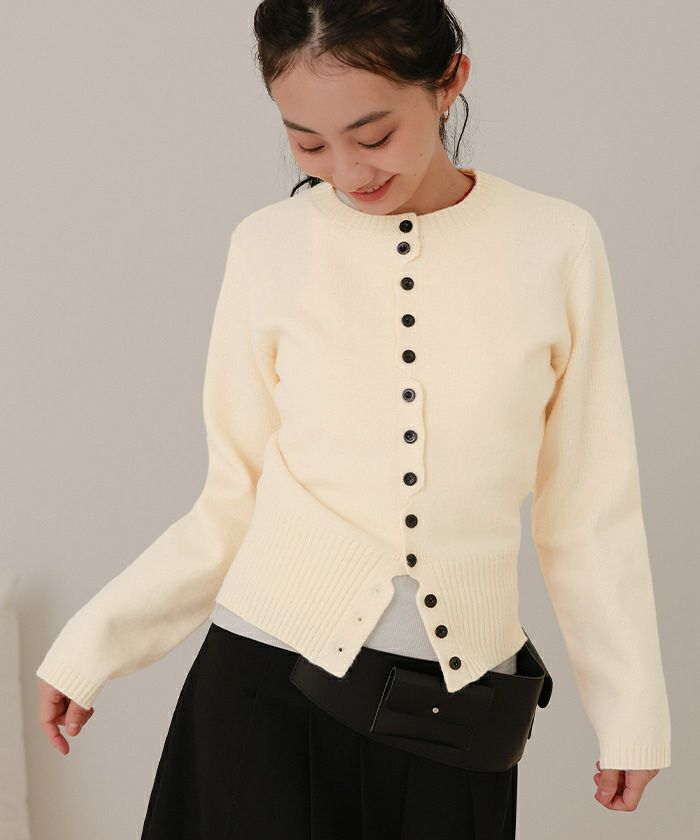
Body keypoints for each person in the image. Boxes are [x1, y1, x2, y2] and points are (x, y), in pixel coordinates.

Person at [37, 1, 671, 836]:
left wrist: (629, 709)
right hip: (264, 696)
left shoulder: (557, 245)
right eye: (308, 145)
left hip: (456, 722)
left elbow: (589, 511)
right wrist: (94, 643)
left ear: (449, 82)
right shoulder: (268, 248)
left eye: (374, 135)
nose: (346, 170)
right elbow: (232, 499)